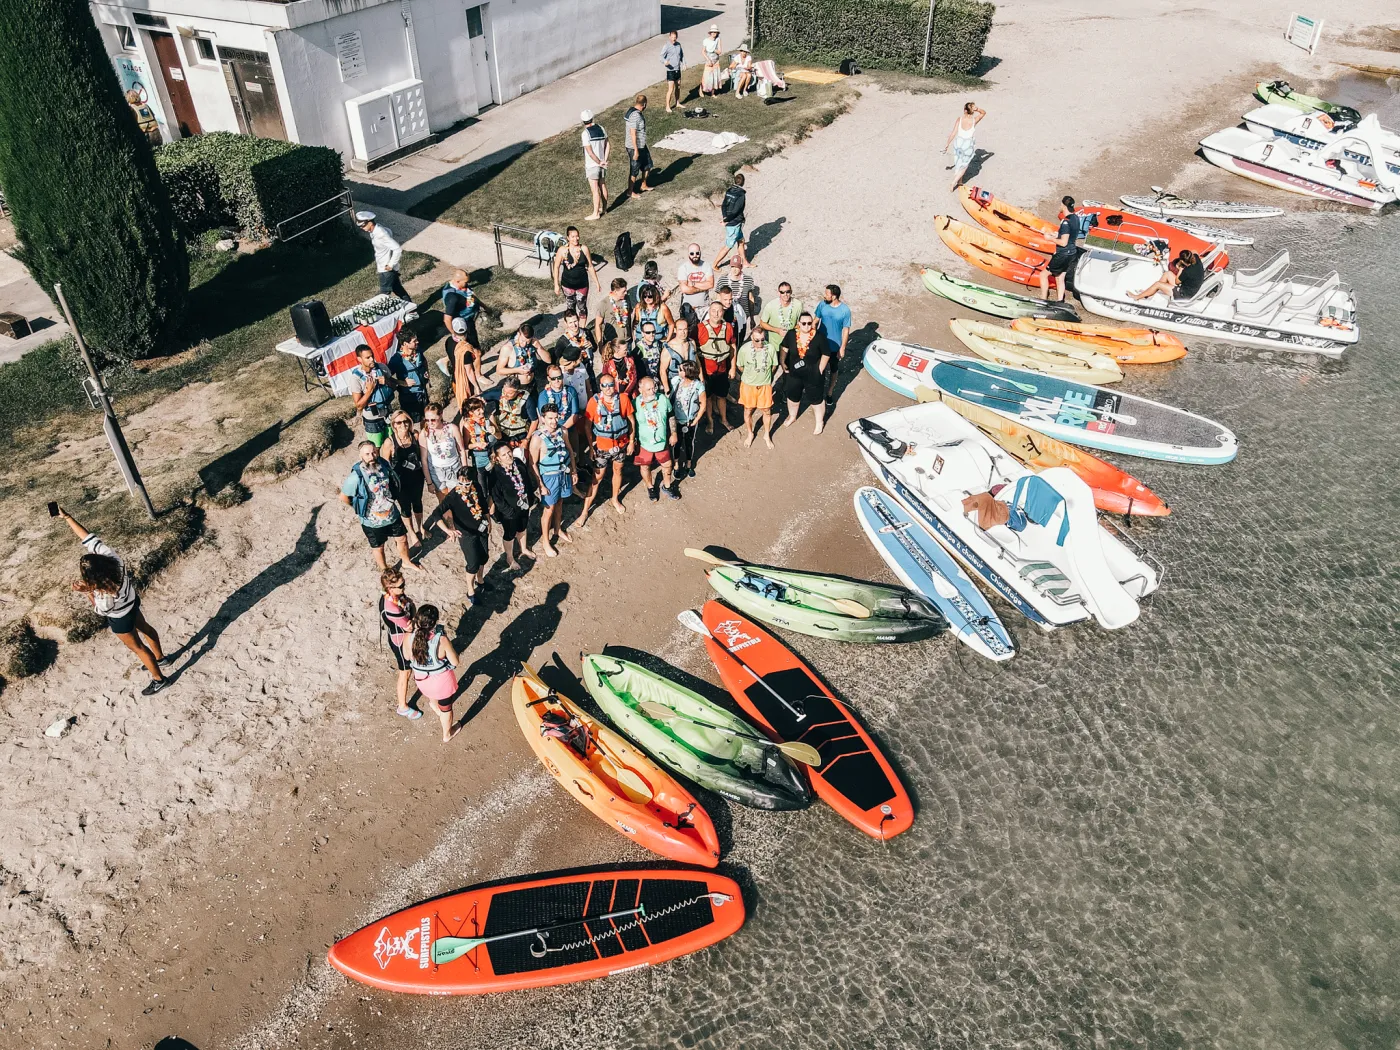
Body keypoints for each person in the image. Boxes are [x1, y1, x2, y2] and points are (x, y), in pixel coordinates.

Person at [60, 508, 170, 695]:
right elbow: (87, 538)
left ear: (93, 578)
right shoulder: (113, 558)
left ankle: (159, 679)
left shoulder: (104, 595)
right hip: (132, 603)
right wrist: (68, 517)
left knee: (138, 647)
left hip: (120, 618)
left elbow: (100, 610)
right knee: (146, 629)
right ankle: (160, 658)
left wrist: (88, 592)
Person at [340, 440, 420, 572]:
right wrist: (359, 507)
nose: (371, 457)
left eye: (374, 452)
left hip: (392, 515)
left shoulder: (383, 464)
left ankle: (406, 562)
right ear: (361, 456)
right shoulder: (356, 477)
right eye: (367, 454)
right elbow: (344, 497)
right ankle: (385, 570)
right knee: (378, 547)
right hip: (372, 521)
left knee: (402, 539)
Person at [579, 373, 634, 525]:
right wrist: (591, 447)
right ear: (600, 387)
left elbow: (631, 421)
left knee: (618, 471)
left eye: (611, 384)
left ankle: (615, 499)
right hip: (602, 446)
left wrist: (631, 441)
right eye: (605, 385)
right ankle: (585, 511)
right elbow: (587, 425)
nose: (608, 388)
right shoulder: (594, 402)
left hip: (620, 444)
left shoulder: (623, 399)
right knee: (597, 478)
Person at [405, 605, 461, 743]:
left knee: (433, 695)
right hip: (442, 684)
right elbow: (455, 661)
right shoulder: (441, 640)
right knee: (446, 709)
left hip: (422, 680)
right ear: (435, 622)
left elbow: (407, 657)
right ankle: (447, 734)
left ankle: (434, 705)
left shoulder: (410, 637)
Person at [529, 404, 577, 556]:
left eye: (556, 418)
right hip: (549, 477)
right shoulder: (537, 438)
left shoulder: (563, 431)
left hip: (564, 472)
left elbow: (570, 450)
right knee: (548, 509)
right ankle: (545, 541)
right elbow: (532, 463)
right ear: (543, 418)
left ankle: (557, 529)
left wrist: (574, 470)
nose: (554, 421)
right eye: (550, 418)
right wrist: (541, 484)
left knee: (560, 502)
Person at [438, 469, 491, 603]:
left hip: (481, 529)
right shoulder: (454, 495)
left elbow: (484, 506)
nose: (464, 487)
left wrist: (488, 521)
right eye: (460, 483)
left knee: (484, 557)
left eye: (467, 484)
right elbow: (436, 514)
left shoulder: (476, 487)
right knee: (472, 564)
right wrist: (448, 530)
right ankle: (470, 591)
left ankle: (480, 580)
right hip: (466, 535)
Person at [486, 441, 537, 569]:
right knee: (510, 534)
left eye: (509, 452)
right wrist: (508, 512)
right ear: (497, 458)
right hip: (508, 511)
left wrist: (530, 499)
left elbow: (527, 481)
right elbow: (496, 496)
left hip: (524, 505)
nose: (508, 456)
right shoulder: (495, 473)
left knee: (522, 527)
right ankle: (510, 557)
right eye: (504, 455)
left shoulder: (518, 463)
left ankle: (523, 548)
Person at [779, 312, 831, 434]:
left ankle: (819, 422)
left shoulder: (819, 337)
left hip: (813, 375)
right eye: (804, 323)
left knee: (816, 400)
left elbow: (826, 353)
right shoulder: (791, 334)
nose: (807, 326)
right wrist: (782, 361)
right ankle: (792, 416)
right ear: (799, 324)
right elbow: (784, 347)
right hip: (794, 374)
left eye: (809, 323)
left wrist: (820, 369)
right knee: (792, 397)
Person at [378, 568, 420, 719]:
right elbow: (409, 626)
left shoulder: (392, 596)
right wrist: (415, 616)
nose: (404, 588)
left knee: (410, 667)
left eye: (404, 584)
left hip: (402, 637)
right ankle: (402, 706)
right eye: (401, 586)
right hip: (400, 642)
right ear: (390, 588)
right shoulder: (392, 608)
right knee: (405, 672)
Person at [633, 376, 679, 501]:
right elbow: (631, 423)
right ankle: (650, 487)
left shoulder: (662, 399)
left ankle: (667, 486)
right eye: (648, 389)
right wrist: (632, 441)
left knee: (667, 464)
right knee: (644, 466)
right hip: (643, 443)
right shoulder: (635, 403)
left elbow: (671, 415)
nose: (653, 391)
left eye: (654, 388)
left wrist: (674, 433)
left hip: (661, 441)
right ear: (640, 390)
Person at [732, 330, 779, 449]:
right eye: (757, 340)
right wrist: (750, 375)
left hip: (764, 385)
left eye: (762, 340)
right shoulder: (744, 349)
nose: (760, 343)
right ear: (752, 338)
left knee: (767, 411)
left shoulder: (770, 348)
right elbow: (740, 366)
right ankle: (750, 433)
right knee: (748, 410)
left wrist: (766, 377)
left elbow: (774, 366)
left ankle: (767, 435)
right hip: (748, 386)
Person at [386, 410, 426, 549]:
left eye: (405, 421)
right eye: (399, 422)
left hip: (417, 478)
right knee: (405, 508)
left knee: (418, 503)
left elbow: (423, 456)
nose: (403, 425)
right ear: (394, 425)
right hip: (401, 483)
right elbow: (385, 465)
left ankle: (420, 527)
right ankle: (412, 532)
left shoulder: (415, 435)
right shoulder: (390, 442)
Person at [696, 300, 736, 431]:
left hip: (722, 370)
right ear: (709, 312)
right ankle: (710, 421)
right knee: (707, 398)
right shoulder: (700, 328)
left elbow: (732, 347)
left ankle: (724, 419)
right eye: (713, 311)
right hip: (706, 371)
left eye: (719, 311)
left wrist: (733, 367)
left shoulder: (728, 327)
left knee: (722, 396)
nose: (716, 314)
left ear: (723, 312)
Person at [348, 345, 397, 449]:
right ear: (359, 359)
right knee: (376, 447)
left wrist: (387, 382)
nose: (372, 359)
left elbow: (394, 386)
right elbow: (359, 406)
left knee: (392, 442)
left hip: (388, 412)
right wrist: (369, 390)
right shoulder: (356, 378)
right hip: (372, 418)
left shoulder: (382, 367)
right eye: (368, 357)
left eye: (372, 356)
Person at [1038, 197, 1085, 303]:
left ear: (1064, 206)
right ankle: (1060, 301)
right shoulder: (1075, 218)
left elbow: (1063, 243)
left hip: (1063, 254)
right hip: (1072, 253)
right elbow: (1070, 235)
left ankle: (1043, 300)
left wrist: (1050, 238)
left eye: (1061, 204)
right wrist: (1057, 234)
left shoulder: (1065, 222)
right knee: (1060, 277)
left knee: (1043, 275)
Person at [355, 210, 410, 301]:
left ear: (370, 223)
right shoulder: (375, 230)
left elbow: (397, 249)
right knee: (398, 289)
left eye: (363, 225)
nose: (361, 227)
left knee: (383, 295)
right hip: (382, 267)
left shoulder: (380, 234)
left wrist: (390, 264)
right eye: (360, 226)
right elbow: (389, 231)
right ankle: (412, 308)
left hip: (386, 269)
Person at [419, 402, 466, 502]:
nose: (430, 423)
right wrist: (429, 482)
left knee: (457, 499)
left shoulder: (452, 428)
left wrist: (465, 471)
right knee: (443, 501)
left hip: (454, 469)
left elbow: (461, 450)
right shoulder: (424, 433)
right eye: (427, 420)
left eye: (433, 420)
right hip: (436, 472)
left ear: (441, 415)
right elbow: (424, 459)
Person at [813, 284, 852, 401]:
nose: (824, 296)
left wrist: (842, 348)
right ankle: (817, 390)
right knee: (818, 368)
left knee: (833, 369)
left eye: (827, 294)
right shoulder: (822, 305)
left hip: (835, 346)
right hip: (820, 344)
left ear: (834, 296)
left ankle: (829, 392)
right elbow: (815, 321)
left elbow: (846, 330)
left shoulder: (845, 310)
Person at [553, 226, 600, 321]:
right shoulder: (562, 250)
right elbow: (556, 267)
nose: (576, 239)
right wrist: (556, 285)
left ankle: (582, 328)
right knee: (570, 308)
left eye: (577, 236)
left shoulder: (584, 249)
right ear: (568, 238)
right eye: (573, 236)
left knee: (582, 308)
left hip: (582, 285)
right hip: (567, 285)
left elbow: (590, 266)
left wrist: (597, 283)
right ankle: (572, 326)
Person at [537, 365, 581, 461]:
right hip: (551, 429)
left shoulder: (571, 391)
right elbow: (544, 417)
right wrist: (557, 432)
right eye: (553, 378)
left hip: (569, 426)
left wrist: (563, 430)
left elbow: (575, 414)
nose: (557, 380)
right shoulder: (544, 395)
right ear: (548, 378)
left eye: (559, 377)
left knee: (574, 456)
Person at [671, 358, 706, 477]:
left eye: (680, 370)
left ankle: (688, 463)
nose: (678, 371)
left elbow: (703, 405)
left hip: (690, 421)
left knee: (689, 442)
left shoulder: (698, 386)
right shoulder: (676, 381)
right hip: (676, 419)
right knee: (677, 442)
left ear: (687, 372)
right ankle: (676, 464)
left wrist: (696, 420)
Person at [1130, 249, 1205, 301]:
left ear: (1182, 261)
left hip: (1183, 294)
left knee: (1157, 284)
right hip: (1190, 289)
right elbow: (1194, 251)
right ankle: (1149, 293)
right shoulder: (1196, 260)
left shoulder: (1187, 271)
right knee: (1167, 274)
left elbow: (1176, 282)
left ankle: (1137, 297)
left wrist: (1181, 269)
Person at [943, 102, 986, 192]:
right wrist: (977, 109)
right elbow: (983, 113)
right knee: (965, 165)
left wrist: (947, 144)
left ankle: (960, 182)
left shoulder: (959, 119)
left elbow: (953, 133)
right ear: (972, 111)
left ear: (965, 110)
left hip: (958, 144)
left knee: (959, 162)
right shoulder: (974, 120)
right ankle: (953, 182)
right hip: (967, 145)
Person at [460, 397, 497, 499]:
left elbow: (499, 436)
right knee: (482, 487)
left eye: (482, 408)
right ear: (471, 412)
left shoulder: (488, 418)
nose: (482, 411)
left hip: (493, 455)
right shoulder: (467, 425)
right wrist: (476, 444)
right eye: (478, 409)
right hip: (479, 459)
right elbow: (465, 445)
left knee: (495, 485)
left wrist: (494, 431)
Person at [389, 331, 431, 422]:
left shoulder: (418, 352)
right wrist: (402, 383)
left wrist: (426, 371)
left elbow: (424, 361)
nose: (417, 342)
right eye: (414, 341)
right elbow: (387, 377)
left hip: (423, 392)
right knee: (412, 421)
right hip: (409, 396)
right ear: (405, 344)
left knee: (426, 418)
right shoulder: (396, 359)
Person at [497, 322, 550, 393]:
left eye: (527, 342)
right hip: (516, 386)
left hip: (532, 383)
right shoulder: (508, 348)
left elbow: (548, 360)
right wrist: (517, 370)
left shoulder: (533, 344)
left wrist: (539, 347)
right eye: (522, 340)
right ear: (518, 334)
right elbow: (499, 370)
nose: (524, 344)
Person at [713, 173, 749, 271]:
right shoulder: (741, 194)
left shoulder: (729, 191)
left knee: (741, 241)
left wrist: (725, 216)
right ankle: (715, 264)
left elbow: (724, 205)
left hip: (732, 221)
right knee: (728, 246)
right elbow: (736, 210)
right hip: (734, 223)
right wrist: (726, 220)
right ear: (743, 182)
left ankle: (745, 262)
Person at [757, 280, 804, 353]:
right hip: (775, 345)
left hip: (791, 344)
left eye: (788, 291)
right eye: (782, 292)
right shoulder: (771, 305)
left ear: (791, 292)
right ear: (778, 293)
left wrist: (791, 332)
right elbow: (762, 323)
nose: (785, 294)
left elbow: (800, 322)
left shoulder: (798, 304)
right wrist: (777, 330)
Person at [448, 317, 484, 409]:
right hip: (465, 382)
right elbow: (469, 371)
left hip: (455, 379)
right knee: (469, 407)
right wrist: (477, 387)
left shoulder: (448, 341)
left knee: (462, 404)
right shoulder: (465, 350)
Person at [580, 111, 610, 220]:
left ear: (583, 121)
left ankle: (596, 213)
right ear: (592, 118)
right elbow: (608, 144)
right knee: (602, 185)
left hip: (592, 165)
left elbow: (590, 152)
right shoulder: (601, 128)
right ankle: (605, 208)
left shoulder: (585, 134)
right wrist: (604, 160)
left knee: (595, 190)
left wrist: (598, 162)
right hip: (602, 164)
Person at [676, 242, 715, 326]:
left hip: (704, 306)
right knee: (691, 331)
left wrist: (693, 283)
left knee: (706, 329)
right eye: (692, 253)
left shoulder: (706, 266)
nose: (695, 255)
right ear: (688, 254)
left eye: (697, 253)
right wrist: (702, 287)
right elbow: (684, 289)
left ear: (700, 253)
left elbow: (710, 284)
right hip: (689, 308)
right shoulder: (683, 268)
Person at [440, 270, 480, 350]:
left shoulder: (461, 286)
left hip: (469, 317)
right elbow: (447, 319)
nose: (467, 284)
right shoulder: (452, 297)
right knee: (472, 345)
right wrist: (455, 333)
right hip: (463, 322)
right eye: (466, 282)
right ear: (457, 281)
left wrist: (484, 306)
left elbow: (470, 296)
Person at [716, 256, 756, 333]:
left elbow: (750, 299)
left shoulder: (748, 280)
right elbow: (718, 298)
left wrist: (752, 318)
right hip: (725, 315)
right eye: (732, 266)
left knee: (740, 335)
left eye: (737, 267)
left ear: (741, 267)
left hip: (742, 316)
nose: (734, 269)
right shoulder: (723, 280)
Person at [494, 378, 538, 447]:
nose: (505, 395)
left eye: (510, 393)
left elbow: (534, 421)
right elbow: (480, 397)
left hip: (520, 434)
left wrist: (527, 439)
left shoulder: (528, 400)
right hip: (502, 433)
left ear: (518, 391)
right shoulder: (500, 393)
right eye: (504, 391)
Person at [632, 281, 673, 353]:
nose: (647, 298)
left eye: (650, 296)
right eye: (644, 296)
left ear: (655, 296)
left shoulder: (663, 308)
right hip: (641, 342)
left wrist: (667, 340)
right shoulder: (639, 306)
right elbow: (636, 322)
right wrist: (634, 336)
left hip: (658, 341)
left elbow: (671, 324)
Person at [624, 93, 653, 196]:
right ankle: (630, 191)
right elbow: (633, 133)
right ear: (644, 104)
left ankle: (643, 185)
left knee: (648, 165)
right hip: (634, 146)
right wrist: (636, 150)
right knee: (634, 169)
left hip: (641, 145)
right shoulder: (635, 115)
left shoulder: (632, 111)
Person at [660, 315, 697, 396]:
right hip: (675, 385)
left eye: (685, 329)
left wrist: (702, 380)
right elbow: (663, 371)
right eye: (680, 329)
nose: (683, 332)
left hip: (692, 383)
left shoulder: (692, 343)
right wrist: (667, 390)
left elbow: (697, 363)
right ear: (675, 330)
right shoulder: (669, 348)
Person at [597, 276, 632, 347]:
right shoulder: (604, 303)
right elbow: (598, 324)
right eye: (623, 291)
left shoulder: (627, 299)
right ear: (615, 291)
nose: (626, 293)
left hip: (626, 341)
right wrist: (600, 344)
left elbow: (630, 316)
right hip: (612, 342)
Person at [661, 30, 684, 113]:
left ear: (676, 37)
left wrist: (684, 63)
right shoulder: (666, 46)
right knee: (671, 89)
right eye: (672, 37)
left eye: (675, 37)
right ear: (669, 37)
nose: (673, 39)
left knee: (678, 87)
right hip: (670, 70)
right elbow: (661, 56)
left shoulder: (678, 45)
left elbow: (682, 55)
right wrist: (665, 61)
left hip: (678, 69)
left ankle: (677, 103)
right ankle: (667, 106)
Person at [701, 24, 724, 97]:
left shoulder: (718, 39)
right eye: (712, 32)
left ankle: (712, 93)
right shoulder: (706, 40)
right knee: (706, 77)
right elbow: (703, 51)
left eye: (715, 32)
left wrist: (713, 49)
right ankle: (701, 89)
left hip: (716, 61)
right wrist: (708, 60)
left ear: (717, 33)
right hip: (709, 60)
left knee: (714, 77)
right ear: (710, 33)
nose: (714, 33)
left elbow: (719, 51)